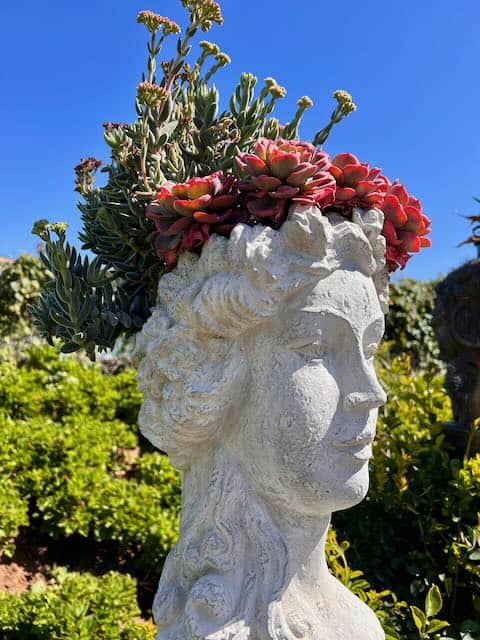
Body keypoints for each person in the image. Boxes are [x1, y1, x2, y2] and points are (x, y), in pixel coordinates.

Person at [134, 205, 388, 640]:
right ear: (213, 374)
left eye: (368, 350)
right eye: (315, 348)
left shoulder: (356, 624)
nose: (372, 392)